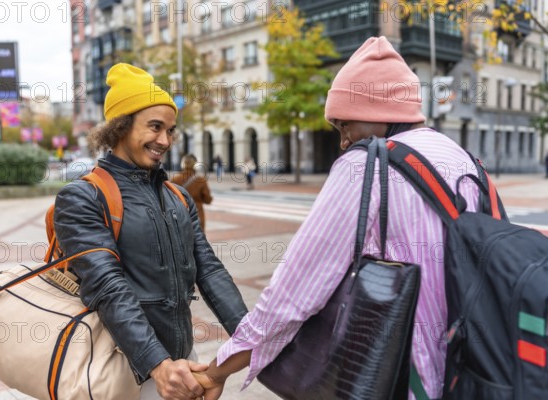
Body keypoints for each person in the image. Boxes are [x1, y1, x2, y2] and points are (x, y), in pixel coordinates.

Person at [194, 37, 481, 400]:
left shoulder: (363, 167)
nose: (343, 141)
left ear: (376, 114)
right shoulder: (465, 161)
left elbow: (293, 294)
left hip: (406, 379)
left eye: (344, 125)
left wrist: (218, 371)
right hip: (468, 371)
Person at [53, 63, 248, 400]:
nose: (165, 140)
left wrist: (250, 335)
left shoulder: (178, 195)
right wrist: (158, 365)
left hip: (182, 362)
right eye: (155, 127)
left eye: (171, 130)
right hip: (122, 368)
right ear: (120, 127)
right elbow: (107, 287)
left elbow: (209, 268)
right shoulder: (82, 197)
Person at [171, 154, 213, 231]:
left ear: (182, 164)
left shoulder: (175, 179)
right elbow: (208, 199)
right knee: (198, 240)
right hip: (197, 216)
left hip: (180, 216)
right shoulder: (200, 180)